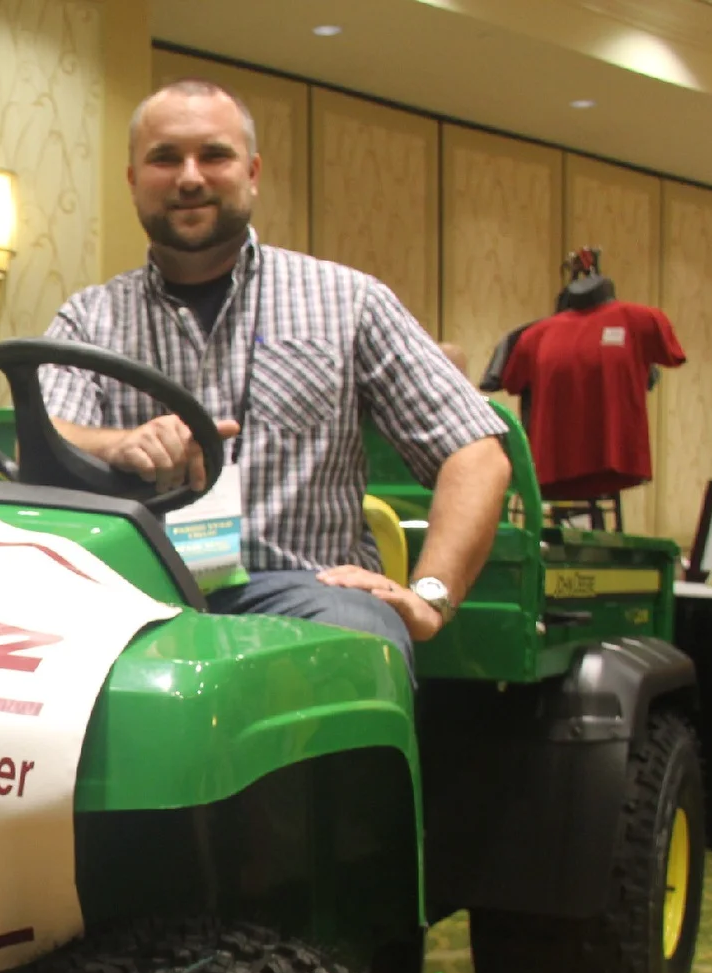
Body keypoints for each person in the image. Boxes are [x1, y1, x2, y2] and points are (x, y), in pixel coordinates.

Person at [39, 80, 512, 669]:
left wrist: (431, 596)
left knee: (355, 644)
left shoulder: (348, 301)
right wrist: (119, 444)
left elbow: (475, 452)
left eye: (214, 155)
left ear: (253, 172)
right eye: (165, 158)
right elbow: (45, 439)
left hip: (305, 591)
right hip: (135, 595)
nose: (190, 177)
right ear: (134, 179)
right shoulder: (89, 318)